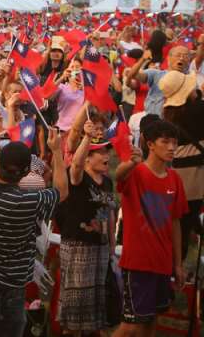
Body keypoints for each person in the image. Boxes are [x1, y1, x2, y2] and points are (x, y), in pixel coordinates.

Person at [0, 129, 68, 336]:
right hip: (9, 283)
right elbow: (62, 192)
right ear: (26, 172)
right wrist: (56, 151)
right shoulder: (29, 201)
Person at [113, 120, 188, 337]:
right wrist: (129, 163)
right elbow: (118, 176)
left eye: (174, 142)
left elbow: (176, 223)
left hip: (163, 264)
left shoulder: (175, 179)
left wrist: (178, 264)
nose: (172, 147)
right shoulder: (136, 173)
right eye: (165, 142)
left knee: (150, 322)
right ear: (150, 144)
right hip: (138, 264)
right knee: (130, 326)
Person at [57, 122, 116, 335]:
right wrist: (87, 138)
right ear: (88, 157)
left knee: (96, 299)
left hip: (99, 247)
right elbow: (76, 166)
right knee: (76, 300)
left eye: (106, 150)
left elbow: (107, 212)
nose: (106, 155)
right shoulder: (78, 178)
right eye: (99, 152)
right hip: (77, 246)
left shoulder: (107, 182)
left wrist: (111, 243)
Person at [159, 70, 204, 261]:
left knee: (182, 225)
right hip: (198, 173)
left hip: (181, 175)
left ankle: (174, 270)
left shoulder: (170, 113)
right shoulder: (198, 109)